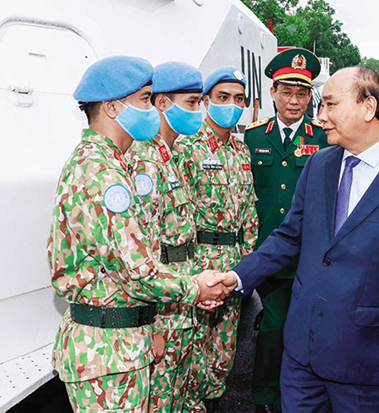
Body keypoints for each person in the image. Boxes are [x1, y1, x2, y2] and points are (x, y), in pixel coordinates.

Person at [213, 65, 379, 411]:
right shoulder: (319, 165)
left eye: (329, 104)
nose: (320, 116)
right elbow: (289, 237)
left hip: (368, 366)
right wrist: (237, 277)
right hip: (301, 358)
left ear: (368, 107)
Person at [47, 56, 226, 412]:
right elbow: (136, 272)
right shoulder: (99, 172)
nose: (152, 108)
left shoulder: (112, 163)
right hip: (106, 351)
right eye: (145, 100)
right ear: (112, 107)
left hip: (122, 345)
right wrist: (195, 288)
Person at [244, 48, 329, 413]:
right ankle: (265, 394)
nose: (294, 101)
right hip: (267, 249)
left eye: (302, 94)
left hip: (310, 252)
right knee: (275, 324)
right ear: (273, 93)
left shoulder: (323, 138)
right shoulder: (252, 138)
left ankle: (297, 393)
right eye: (287, 92)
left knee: (303, 326)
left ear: (310, 97)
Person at [178, 66, 259, 413]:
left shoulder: (241, 151)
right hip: (200, 265)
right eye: (223, 97)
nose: (232, 105)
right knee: (194, 350)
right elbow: (176, 216)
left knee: (223, 352)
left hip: (233, 265)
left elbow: (249, 211)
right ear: (206, 101)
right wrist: (189, 273)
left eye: (238, 99)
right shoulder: (187, 147)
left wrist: (247, 263)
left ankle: (212, 402)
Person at [126, 62, 205, 413]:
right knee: (160, 400)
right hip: (163, 309)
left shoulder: (172, 155)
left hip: (180, 300)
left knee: (178, 395)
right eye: (192, 103)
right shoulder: (145, 160)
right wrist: (154, 326)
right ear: (162, 104)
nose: (198, 111)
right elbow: (141, 253)